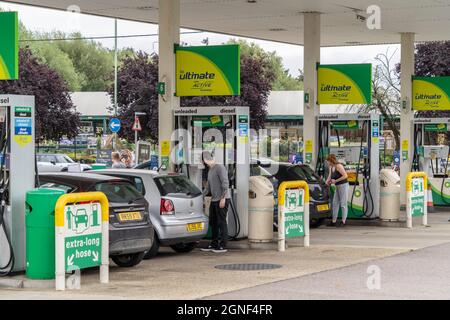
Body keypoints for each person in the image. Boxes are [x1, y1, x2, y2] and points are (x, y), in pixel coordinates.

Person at [200, 151, 231, 253]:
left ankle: (223, 245)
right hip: (214, 200)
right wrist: (200, 196)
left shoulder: (220, 168)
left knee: (221, 222)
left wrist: (223, 198)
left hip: (222, 199)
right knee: (213, 222)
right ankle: (214, 243)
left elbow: (225, 183)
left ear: (205, 160)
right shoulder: (210, 170)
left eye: (202, 161)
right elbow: (207, 187)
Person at [326, 154, 349, 227]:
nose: (327, 162)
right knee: (335, 203)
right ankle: (334, 221)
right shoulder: (331, 166)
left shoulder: (339, 166)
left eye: (328, 161)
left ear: (331, 160)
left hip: (343, 185)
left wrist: (335, 181)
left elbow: (345, 176)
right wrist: (326, 182)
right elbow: (330, 176)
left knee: (343, 204)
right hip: (337, 186)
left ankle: (343, 221)